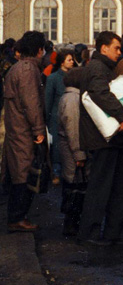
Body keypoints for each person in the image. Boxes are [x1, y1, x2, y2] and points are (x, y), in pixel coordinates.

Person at [77, 31, 123, 246]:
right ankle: (90, 233)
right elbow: (100, 93)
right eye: (116, 48)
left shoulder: (101, 67)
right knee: (101, 187)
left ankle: (111, 232)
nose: (120, 52)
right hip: (104, 137)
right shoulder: (98, 68)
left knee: (117, 185)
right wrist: (122, 116)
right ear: (103, 48)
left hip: (110, 137)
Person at [2, 31, 48, 232]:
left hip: (16, 129)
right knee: (24, 174)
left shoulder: (17, 68)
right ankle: (17, 218)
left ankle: (17, 216)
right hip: (24, 131)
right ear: (39, 50)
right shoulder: (29, 70)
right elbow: (32, 104)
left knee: (17, 173)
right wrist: (39, 130)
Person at [57, 67, 88, 237]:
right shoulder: (73, 100)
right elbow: (73, 130)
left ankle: (72, 224)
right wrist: (79, 154)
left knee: (73, 187)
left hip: (69, 150)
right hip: (72, 151)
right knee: (75, 187)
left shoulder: (69, 97)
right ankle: (71, 225)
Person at [45, 49, 75, 184]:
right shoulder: (53, 78)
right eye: (69, 60)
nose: (72, 62)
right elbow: (48, 100)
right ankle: (56, 172)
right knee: (57, 147)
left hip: (70, 116)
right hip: (56, 118)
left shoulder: (75, 76)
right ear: (62, 62)